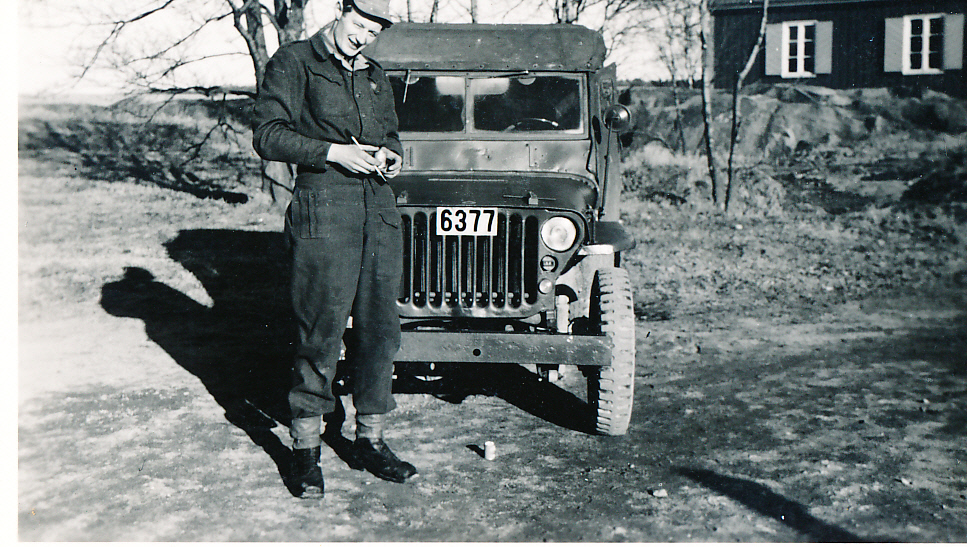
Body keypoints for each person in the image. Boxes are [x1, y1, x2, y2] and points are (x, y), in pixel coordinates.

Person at [252, 0, 415, 499]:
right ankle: (306, 453)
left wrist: (389, 156)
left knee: (381, 333)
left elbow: (390, 136)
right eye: (360, 24)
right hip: (324, 209)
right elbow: (268, 135)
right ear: (341, 11)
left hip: (379, 213)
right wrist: (333, 152)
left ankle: (370, 440)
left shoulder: (374, 75)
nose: (363, 37)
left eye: (375, 31)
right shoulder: (295, 60)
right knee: (319, 331)